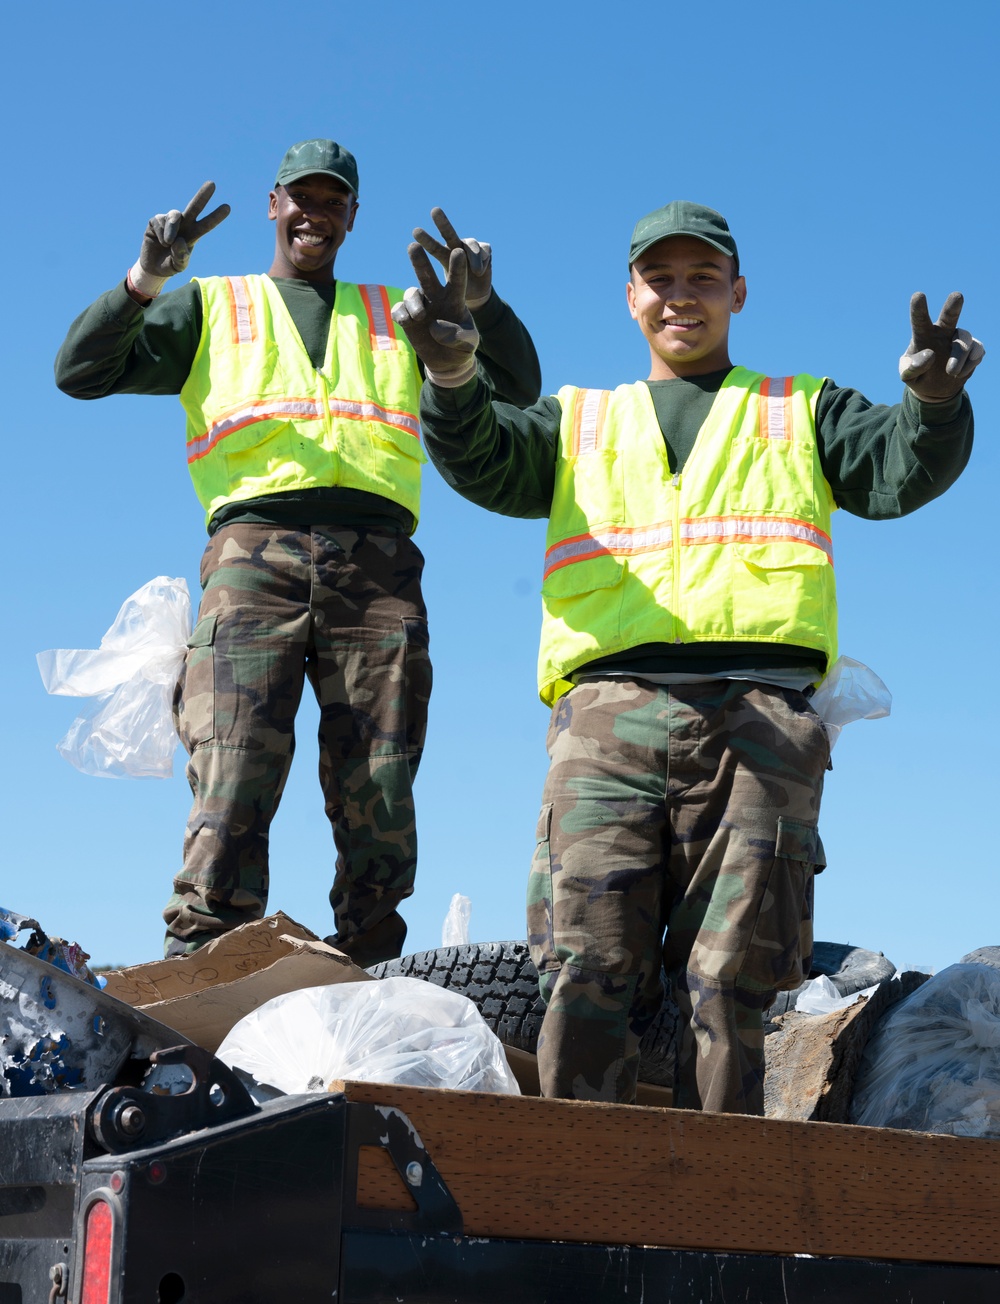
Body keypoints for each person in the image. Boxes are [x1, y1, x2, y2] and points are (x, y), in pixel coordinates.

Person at [390, 200, 983, 1113]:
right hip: (605, 721)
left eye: (702, 278)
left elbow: (894, 471)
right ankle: (583, 1200)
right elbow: (485, 461)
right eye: (660, 280)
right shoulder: (578, 418)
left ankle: (726, 1210)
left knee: (733, 984)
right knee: (587, 969)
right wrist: (452, 371)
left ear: (738, 293)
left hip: (761, 722)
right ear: (630, 297)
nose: (681, 297)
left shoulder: (802, 408)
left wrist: (935, 404)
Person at [55, 139, 541, 966]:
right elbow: (80, 369)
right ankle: (202, 963)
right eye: (303, 198)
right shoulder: (214, 303)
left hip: (379, 568)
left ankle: (372, 961)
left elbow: (518, 387)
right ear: (273, 203)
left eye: (335, 200)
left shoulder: (400, 312)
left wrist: (484, 307)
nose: (318, 212)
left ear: (353, 216)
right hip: (253, 557)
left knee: (379, 783)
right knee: (234, 768)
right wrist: (146, 279)